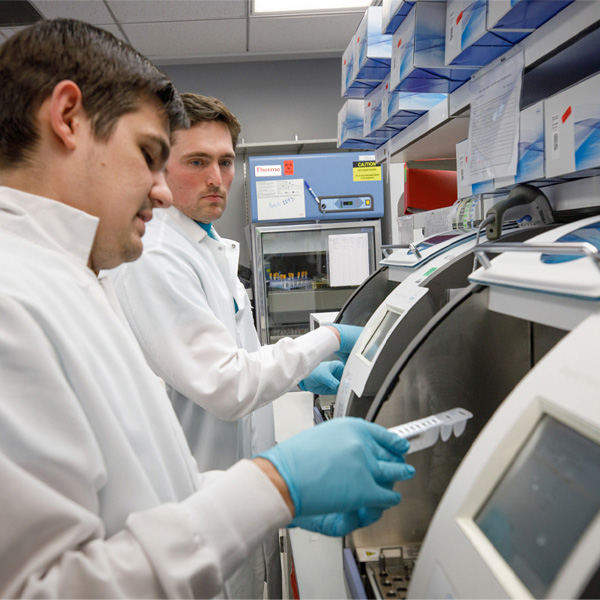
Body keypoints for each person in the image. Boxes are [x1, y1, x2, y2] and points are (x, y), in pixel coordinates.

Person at [0, 18, 415, 599]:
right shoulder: (13, 304)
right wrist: (273, 487)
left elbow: (144, 480)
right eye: (150, 154)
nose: (164, 190)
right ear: (68, 118)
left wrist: (257, 497)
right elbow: (46, 589)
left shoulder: (72, 277)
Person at [103, 94, 363, 596]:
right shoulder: (157, 254)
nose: (217, 178)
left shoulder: (206, 244)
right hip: (196, 512)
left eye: (225, 162)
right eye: (197, 162)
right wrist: (325, 339)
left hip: (234, 495)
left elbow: (229, 350)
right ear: (158, 166)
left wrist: (298, 374)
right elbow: (226, 387)